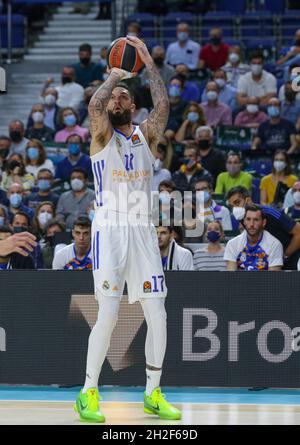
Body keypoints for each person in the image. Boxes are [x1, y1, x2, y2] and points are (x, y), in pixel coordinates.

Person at [75, 35, 181, 423]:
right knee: (108, 314)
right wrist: (113, 76)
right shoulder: (101, 135)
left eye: (123, 96)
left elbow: (164, 105)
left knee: (158, 313)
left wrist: (149, 64)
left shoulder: (146, 135)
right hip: (110, 229)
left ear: (134, 106)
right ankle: (88, 391)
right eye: (113, 97)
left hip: (141, 229)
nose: (116, 100)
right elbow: (94, 103)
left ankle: (153, 392)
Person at [226, 186, 300, 270]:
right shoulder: (242, 218)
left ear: (248, 201)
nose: (235, 208)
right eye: (232, 206)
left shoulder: (270, 212)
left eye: (237, 203)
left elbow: (299, 232)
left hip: (292, 259)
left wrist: (285, 255)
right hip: (266, 261)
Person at [224, 204, 283, 271]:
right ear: (244, 221)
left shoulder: (274, 245)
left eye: (256, 220)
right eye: (248, 219)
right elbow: (231, 277)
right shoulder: (232, 244)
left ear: (263, 222)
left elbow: (273, 279)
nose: (251, 224)